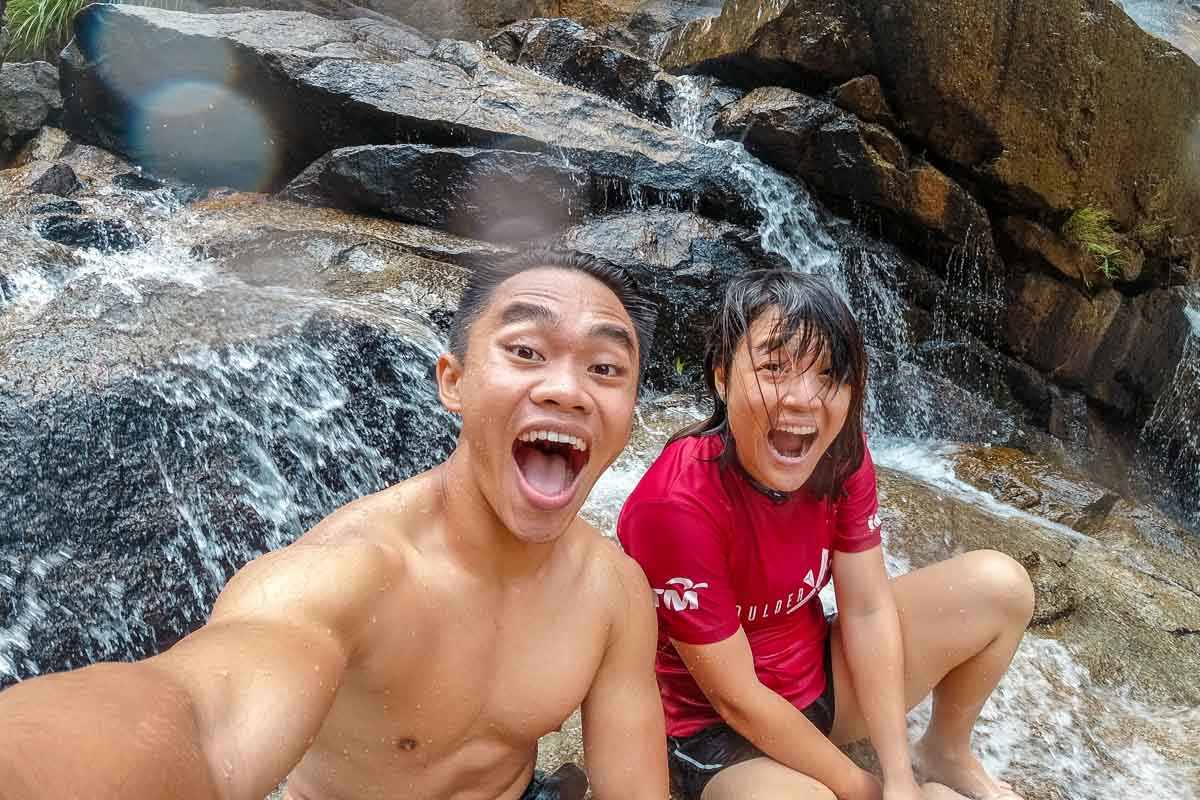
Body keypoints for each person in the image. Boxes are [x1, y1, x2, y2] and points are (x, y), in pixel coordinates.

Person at [0, 248, 669, 800]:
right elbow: (199, 718)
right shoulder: (348, 575)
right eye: (526, 352)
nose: (568, 390)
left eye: (605, 368)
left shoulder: (613, 593)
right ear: (453, 382)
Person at [617, 270, 1034, 800]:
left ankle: (944, 754)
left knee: (1001, 586)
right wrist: (864, 788)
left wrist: (899, 775)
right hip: (717, 734)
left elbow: (865, 609)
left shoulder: (838, 454)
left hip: (820, 685)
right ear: (722, 376)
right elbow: (736, 698)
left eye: (829, 375)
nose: (803, 399)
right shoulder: (675, 504)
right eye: (774, 368)